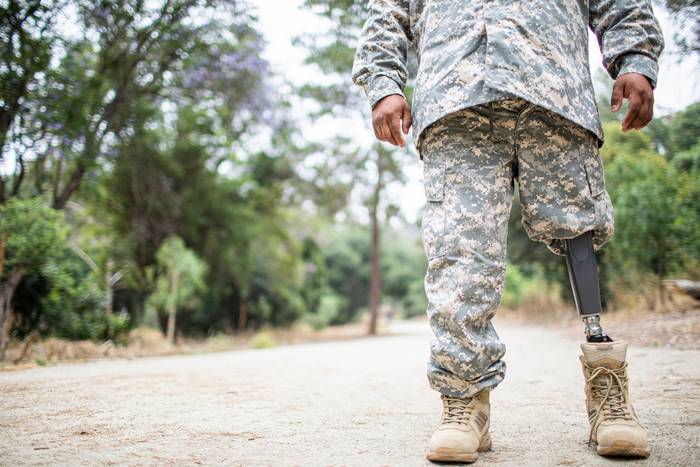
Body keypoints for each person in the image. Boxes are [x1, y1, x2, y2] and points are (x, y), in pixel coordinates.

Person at [352, 0, 664, 463]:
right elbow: (388, 14)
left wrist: (636, 59)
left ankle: (608, 395)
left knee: (581, 235)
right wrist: (383, 84)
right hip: (455, 104)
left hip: (554, 93)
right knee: (458, 256)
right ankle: (464, 405)